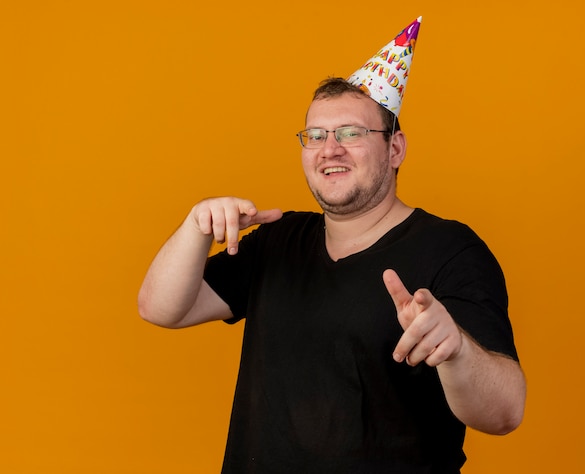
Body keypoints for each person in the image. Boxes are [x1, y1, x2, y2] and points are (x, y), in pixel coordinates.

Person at [138, 19, 525, 474]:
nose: (330, 149)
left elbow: (504, 413)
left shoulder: (452, 251)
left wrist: (456, 349)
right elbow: (160, 308)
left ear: (395, 148)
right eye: (316, 136)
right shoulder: (278, 241)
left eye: (351, 133)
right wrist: (194, 227)